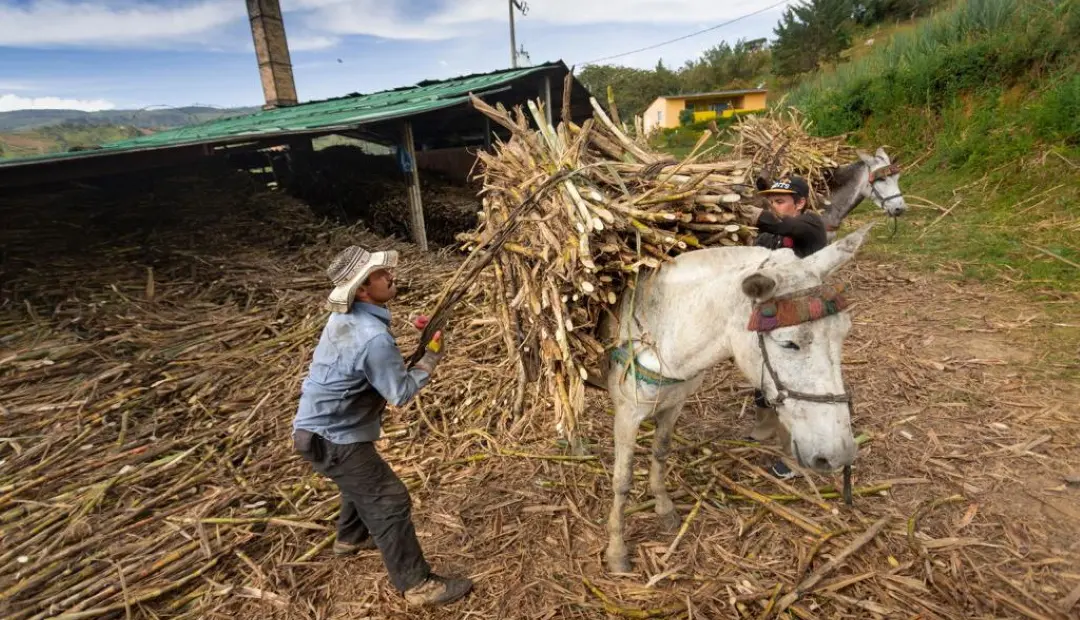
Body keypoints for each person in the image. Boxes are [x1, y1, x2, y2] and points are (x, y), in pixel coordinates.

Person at [292, 245, 473, 607]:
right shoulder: (372, 337)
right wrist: (432, 358)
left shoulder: (357, 321)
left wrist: (421, 344)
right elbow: (400, 392)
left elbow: (371, 366)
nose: (390, 276)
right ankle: (417, 585)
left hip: (321, 431)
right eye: (379, 275)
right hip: (334, 439)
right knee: (389, 499)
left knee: (361, 483)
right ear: (361, 290)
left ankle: (352, 538)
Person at [740, 176, 828, 479]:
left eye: (780, 201)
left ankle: (794, 457)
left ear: (800, 202)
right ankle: (764, 429)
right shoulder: (767, 235)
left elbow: (785, 227)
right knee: (762, 377)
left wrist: (754, 215)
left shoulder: (810, 225)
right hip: (772, 317)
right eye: (770, 201)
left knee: (791, 388)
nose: (773, 206)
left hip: (801, 321)